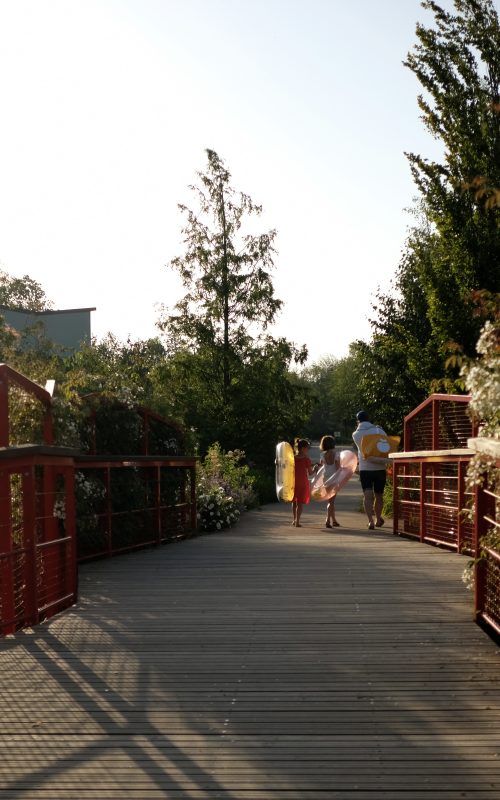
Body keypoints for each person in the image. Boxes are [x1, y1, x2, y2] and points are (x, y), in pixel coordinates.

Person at [352, 410, 387, 530]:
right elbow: (386, 444)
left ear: (358, 421)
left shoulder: (355, 434)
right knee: (379, 495)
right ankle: (378, 518)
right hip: (380, 468)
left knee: (367, 496)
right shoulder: (379, 430)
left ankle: (370, 521)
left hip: (365, 468)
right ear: (369, 418)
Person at [292, 438, 316, 527]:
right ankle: (297, 521)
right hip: (302, 483)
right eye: (307, 448)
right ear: (302, 449)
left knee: (294, 502)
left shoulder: (292, 458)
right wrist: (315, 469)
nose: (308, 450)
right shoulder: (306, 459)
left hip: (293, 483)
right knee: (300, 503)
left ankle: (294, 519)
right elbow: (310, 473)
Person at [319, 434, 341, 528]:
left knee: (330, 500)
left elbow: (322, 465)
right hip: (334, 478)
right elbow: (338, 468)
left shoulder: (322, 454)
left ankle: (334, 520)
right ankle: (327, 520)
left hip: (326, 478)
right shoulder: (336, 454)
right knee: (331, 502)